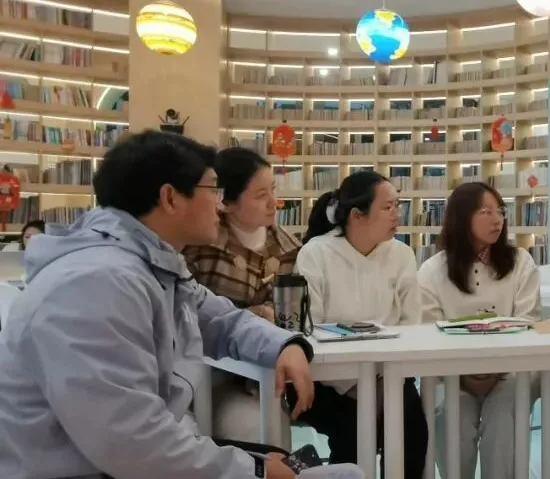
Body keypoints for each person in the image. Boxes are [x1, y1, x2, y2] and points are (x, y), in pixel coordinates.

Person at [0, 130, 316, 479]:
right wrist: (256, 470)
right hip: (86, 469)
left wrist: (285, 345)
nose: (220, 205)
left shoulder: (151, 263)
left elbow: (221, 319)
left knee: (305, 467)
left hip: (125, 459)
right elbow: (130, 444)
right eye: (213, 190)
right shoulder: (97, 283)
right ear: (170, 198)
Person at [292, 170, 428, 476]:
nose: (397, 214)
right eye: (387, 207)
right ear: (356, 215)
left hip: (389, 376)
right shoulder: (316, 253)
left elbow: (412, 323)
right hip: (329, 381)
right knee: (354, 434)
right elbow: (309, 328)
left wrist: (383, 379)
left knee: (412, 432)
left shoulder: (402, 254)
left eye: (398, 205)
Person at [416, 182, 542, 478]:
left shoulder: (521, 262)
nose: (497, 219)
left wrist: (495, 368)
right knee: (452, 416)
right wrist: (464, 372)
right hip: (450, 374)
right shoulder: (432, 270)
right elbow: (427, 334)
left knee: (505, 413)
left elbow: (528, 322)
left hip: (510, 371)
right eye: (486, 212)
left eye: (500, 211)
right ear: (461, 217)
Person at [182, 147, 303, 443]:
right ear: (226, 201)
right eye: (261, 195)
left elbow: (290, 314)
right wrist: (256, 314)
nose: (274, 202)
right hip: (206, 373)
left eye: (273, 190)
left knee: (272, 425)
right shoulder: (198, 245)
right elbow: (186, 315)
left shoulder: (288, 247)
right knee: (253, 427)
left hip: (263, 370)